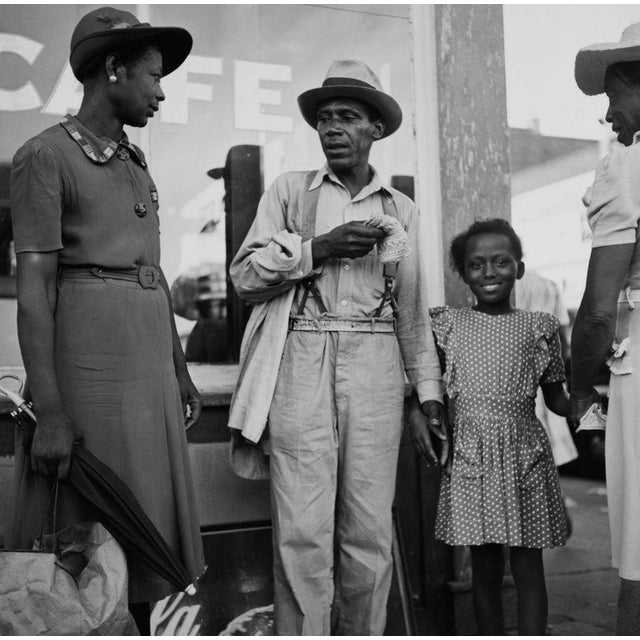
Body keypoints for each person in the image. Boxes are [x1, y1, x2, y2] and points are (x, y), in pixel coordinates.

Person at [229, 60, 445, 635]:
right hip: (301, 357)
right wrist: (316, 248)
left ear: (375, 127)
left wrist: (427, 396)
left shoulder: (400, 209)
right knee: (301, 530)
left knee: (369, 532)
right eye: (325, 119)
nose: (333, 129)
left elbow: (413, 310)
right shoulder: (289, 193)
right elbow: (245, 279)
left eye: (348, 117)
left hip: (376, 365)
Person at [9, 7, 205, 633]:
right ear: (112, 69)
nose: (161, 89)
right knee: (89, 537)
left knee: (145, 540)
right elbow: (35, 286)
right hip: (90, 371)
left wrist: (179, 370)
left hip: (147, 369)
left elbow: (152, 271)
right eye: (151, 75)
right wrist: (52, 407)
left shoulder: (135, 161)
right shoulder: (44, 156)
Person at [424, 219, 569, 635]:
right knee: (483, 569)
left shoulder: (539, 326)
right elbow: (426, 382)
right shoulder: (446, 324)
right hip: (472, 458)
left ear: (519, 268)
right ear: (464, 273)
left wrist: (593, 402)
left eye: (501, 262)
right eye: (476, 265)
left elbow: (556, 398)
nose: (489, 273)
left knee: (528, 567)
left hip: (525, 456)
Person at [572, 23, 640, 634]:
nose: (609, 115)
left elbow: (598, 306)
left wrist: (581, 385)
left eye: (616, 93)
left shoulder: (627, 167)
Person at [516, 270, 578, 467]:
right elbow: (561, 334)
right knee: (549, 442)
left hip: (518, 372)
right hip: (547, 368)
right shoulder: (549, 285)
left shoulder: (512, 284)